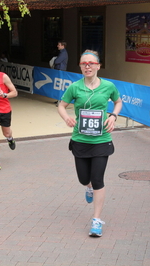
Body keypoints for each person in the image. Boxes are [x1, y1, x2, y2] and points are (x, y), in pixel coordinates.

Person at [57, 50, 122, 237]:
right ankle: (88, 187)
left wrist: (113, 116)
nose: (87, 66)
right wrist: (67, 118)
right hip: (80, 139)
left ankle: (96, 220)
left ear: (98, 66)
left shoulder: (109, 86)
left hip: (102, 139)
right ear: (80, 66)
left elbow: (118, 102)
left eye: (91, 63)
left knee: (98, 179)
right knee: (84, 179)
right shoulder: (75, 87)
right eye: (84, 63)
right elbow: (61, 105)